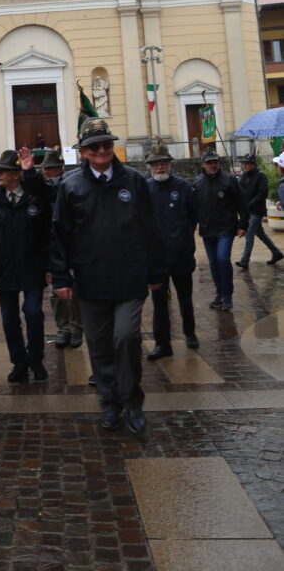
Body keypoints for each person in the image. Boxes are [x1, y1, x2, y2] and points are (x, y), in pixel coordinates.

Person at [50, 118, 166, 434]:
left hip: (130, 278)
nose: (101, 151)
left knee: (126, 337)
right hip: (90, 280)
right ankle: (110, 403)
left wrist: (156, 270)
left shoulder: (134, 181)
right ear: (83, 151)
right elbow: (60, 234)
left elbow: (150, 228)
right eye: (94, 146)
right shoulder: (70, 186)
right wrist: (61, 278)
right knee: (99, 345)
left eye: (106, 144)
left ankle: (133, 402)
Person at [0, 147, 52, 381]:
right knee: (9, 319)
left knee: (34, 313)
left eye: (2, 171)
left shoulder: (35, 197)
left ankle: (36, 358)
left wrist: (49, 266)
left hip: (32, 266)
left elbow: (46, 230)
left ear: (16, 174)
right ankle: (19, 362)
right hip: (4, 270)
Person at [144, 143, 199, 358]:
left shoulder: (184, 187)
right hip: (156, 258)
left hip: (181, 255)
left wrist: (182, 236)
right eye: (155, 164)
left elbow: (194, 216)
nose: (159, 167)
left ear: (169, 165)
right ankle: (162, 343)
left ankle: (190, 333)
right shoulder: (146, 189)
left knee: (185, 297)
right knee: (158, 302)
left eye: (163, 163)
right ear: (149, 167)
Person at [193, 146, 247, 312]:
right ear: (203, 164)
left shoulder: (229, 180)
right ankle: (219, 293)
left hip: (226, 228)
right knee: (213, 263)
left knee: (223, 259)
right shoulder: (197, 183)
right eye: (209, 163)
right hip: (207, 230)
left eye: (215, 162)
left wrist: (243, 224)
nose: (213, 165)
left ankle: (228, 294)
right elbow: (192, 207)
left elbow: (241, 202)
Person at [41, 148, 83, 349]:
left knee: (74, 292)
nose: (47, 172)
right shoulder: (43, 195)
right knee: (55, 294)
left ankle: (76, 327)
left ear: (61, 169)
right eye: (46, 169)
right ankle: (62, 328)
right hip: (52, 248)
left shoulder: (71, 190)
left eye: (52, 168)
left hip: (73, 247)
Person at [236, 152, 283, 269]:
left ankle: (245, 260)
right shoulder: (243, 176)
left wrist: (250, 204)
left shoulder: (261, 175)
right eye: (244, 164)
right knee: (260, 233)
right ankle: (276, 253)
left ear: (254, 164)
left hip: (257, 210)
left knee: (249, 233)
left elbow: (263, 193)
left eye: (247, 164)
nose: (245, 166)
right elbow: (240, 191)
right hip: (247, 211)